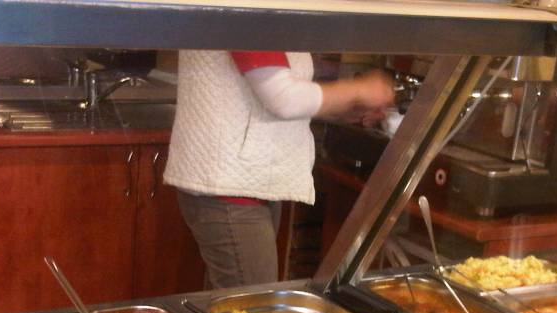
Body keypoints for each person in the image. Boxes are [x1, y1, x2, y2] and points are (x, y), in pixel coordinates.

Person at [164, 51, 394, 289]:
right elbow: (284, 98)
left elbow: (274, 93)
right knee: (253, 305)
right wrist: (360, 90)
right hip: (228, 186)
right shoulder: (253, 24)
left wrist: (342, 106)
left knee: (233, 303)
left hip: (248, 179)